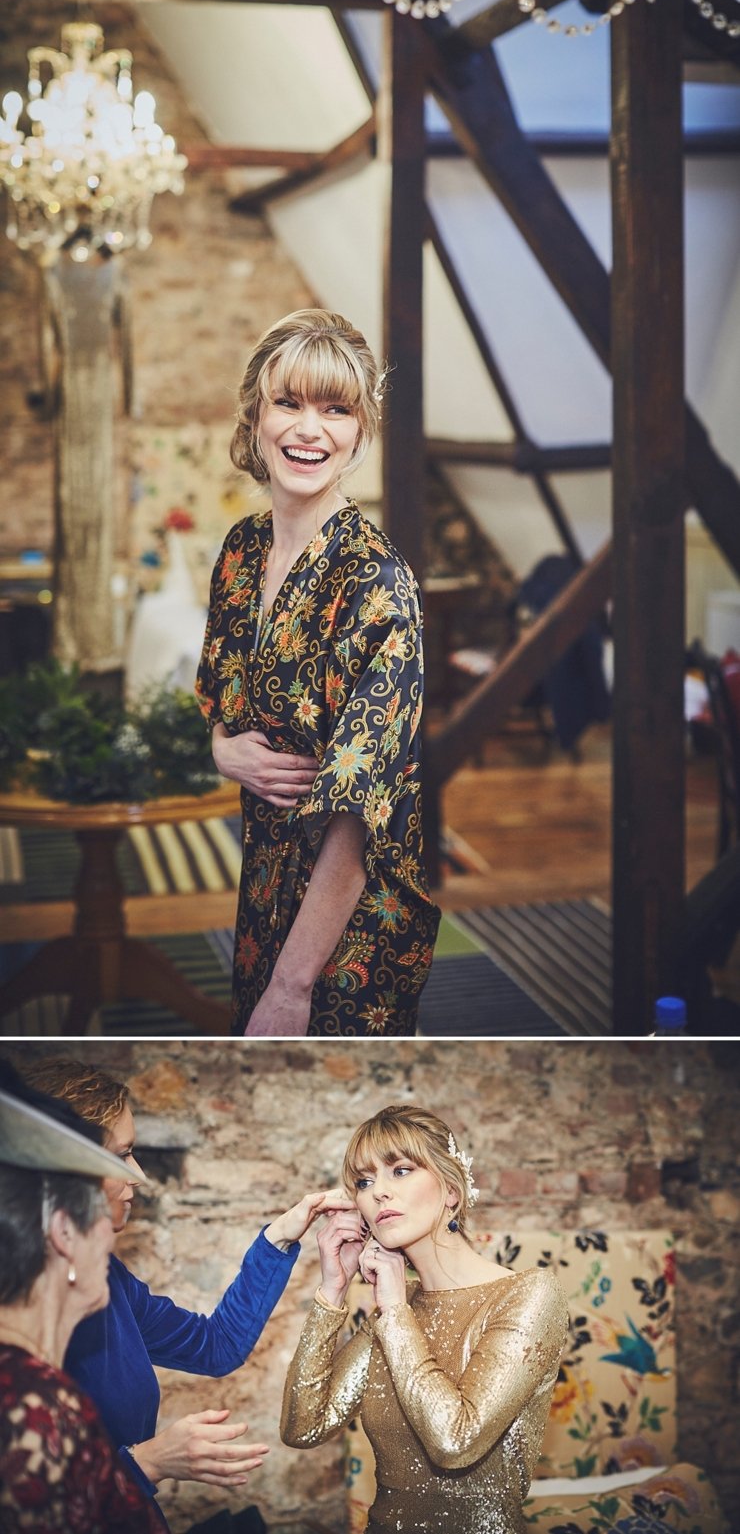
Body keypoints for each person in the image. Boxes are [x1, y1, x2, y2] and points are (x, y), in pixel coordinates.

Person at [195, 307, 440, 1037]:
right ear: (255, 415)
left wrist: (293, 985)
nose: (312, 429)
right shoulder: (242, 551)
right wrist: (220, 748)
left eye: (337, 408)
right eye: (290, 402)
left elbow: (359, 813)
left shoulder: (378, 584)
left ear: (360, 430)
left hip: (350, 928)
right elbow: (219, 699)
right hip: (261, 888)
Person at [23, 1055, 346, 1531]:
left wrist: (280, 1236)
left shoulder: (110, 1278)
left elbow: (215, 1346)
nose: (139, 1176)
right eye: (121, 1156)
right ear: (68, 1169)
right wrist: (148, 1462)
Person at [281, 1103, 569, 1534]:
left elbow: (455, 1441)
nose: (378, 1191)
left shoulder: (529, 1293)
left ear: (451, 1191)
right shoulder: (395, 1307)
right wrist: (332, 1292)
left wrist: (395, 1311)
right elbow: (303, 1427)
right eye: (364, 1180)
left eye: (400, 1170)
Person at [0, 1062, 162, 1531]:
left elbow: (213, 1342)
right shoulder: (39, 1406)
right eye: (99, 1217)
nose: (111, 1241)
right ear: (65, 1233)